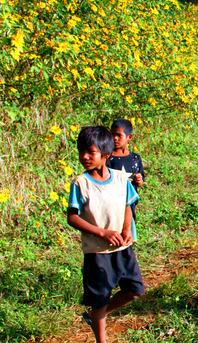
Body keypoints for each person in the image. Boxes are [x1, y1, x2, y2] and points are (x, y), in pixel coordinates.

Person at [67, 126, 145, 343]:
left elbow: (128, 204)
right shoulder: (80, 183)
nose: (84, 157)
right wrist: (101, 232)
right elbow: (72, 217)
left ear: (106, 155)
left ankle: (95, 316)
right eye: (82, 151)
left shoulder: (121, 179)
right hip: (97, 252)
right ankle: (101, 338)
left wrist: (127, 229)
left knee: (134, 290)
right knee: (100, 299)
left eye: (90, 152)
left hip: (122, 248)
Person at [107, 118, 145, 221]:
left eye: (119, 135)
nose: (115, 138)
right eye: (113, 134)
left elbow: (141, 181)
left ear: (129, 137)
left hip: (130, 203)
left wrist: (139, 180)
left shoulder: (135, 159)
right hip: (112, 203)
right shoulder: (107, 158)